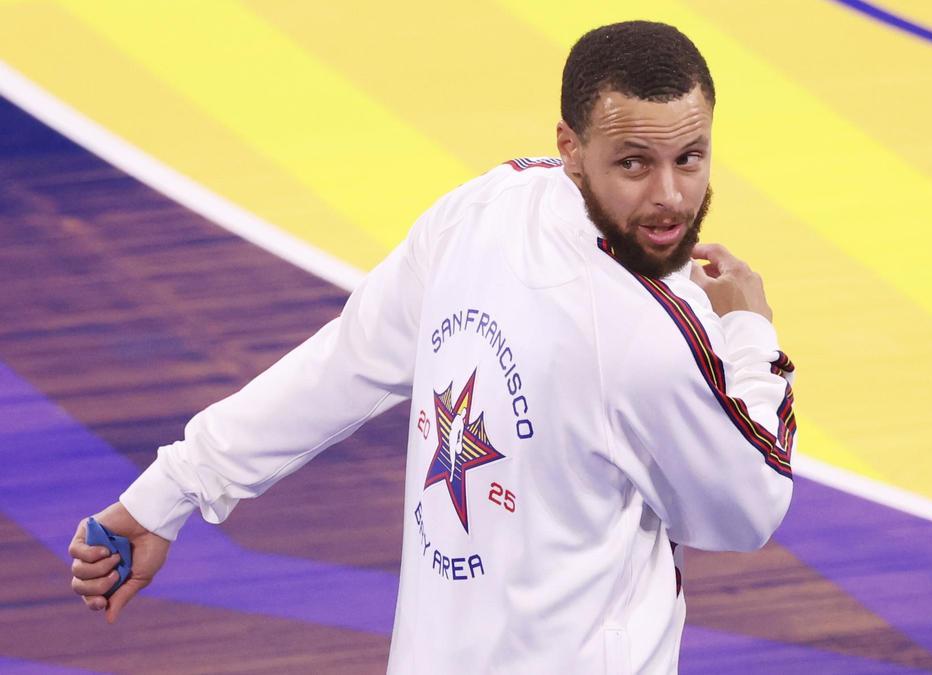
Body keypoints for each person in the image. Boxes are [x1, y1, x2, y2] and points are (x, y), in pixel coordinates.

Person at [68, 20, 795, 674]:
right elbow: (746, 507)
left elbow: (341, 367)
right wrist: (748, 331)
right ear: (571, 150)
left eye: (691, 158)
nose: (670, 195)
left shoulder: (483, 211)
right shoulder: (654, 334)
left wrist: (168, 491)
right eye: (634, 163)